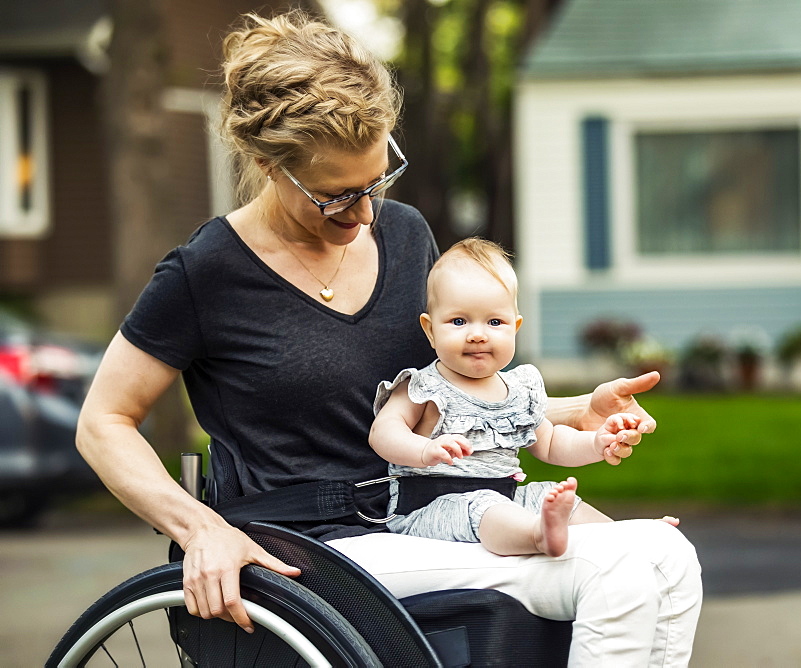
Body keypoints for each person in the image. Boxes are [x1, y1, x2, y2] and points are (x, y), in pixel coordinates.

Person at [76, 10, 702, 666]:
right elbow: (103, 423)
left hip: (436, 510)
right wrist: (201, 528)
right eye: (335, 197)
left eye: (376, 182)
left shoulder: (404, 236)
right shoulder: (207, 272)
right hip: (311, 549)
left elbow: (450, 389)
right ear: (266, 163)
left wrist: (576, 412)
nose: (364, 213)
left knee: (670, 559)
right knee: (621, 569)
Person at [371, 238, 664, 558]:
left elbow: (552, 443)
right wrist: (424, 449)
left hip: (505, 497)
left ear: (515, 327)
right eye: (459, 321)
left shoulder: (518, 391)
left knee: (549, 495)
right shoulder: (423, 386)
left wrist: (596, 443)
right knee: (485, 506)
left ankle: (629, 538)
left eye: (495, 322)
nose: (478, 334)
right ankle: (538, 535)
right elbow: (383, 432)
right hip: (431, 506)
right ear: (430, 330)